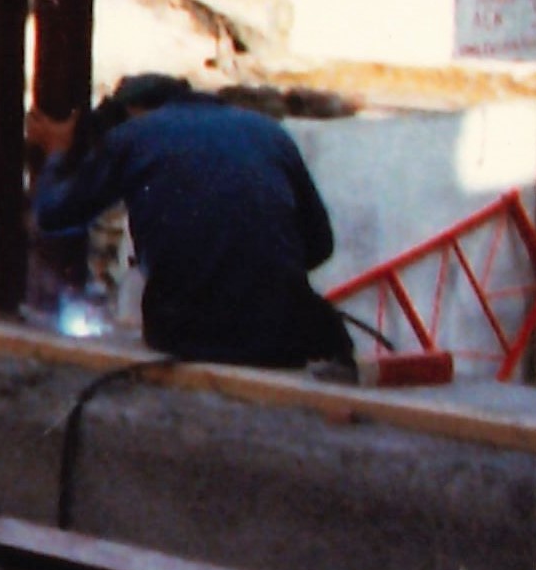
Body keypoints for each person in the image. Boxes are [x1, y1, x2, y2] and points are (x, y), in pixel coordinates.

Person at [28, 73, 353, 371]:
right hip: (282, 335)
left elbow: (53, 215)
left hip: (187, 335)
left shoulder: (134, 136)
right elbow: (320, 245)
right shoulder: (269, 132)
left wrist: (58, 155)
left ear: (133, 110)